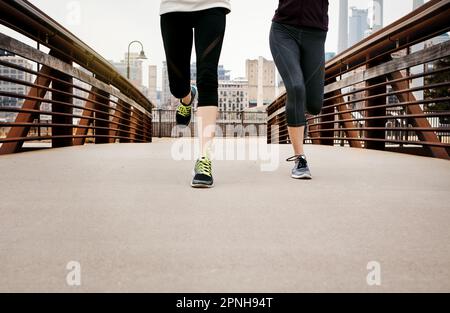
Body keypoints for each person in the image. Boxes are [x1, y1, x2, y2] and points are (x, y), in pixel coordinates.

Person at [160, 0, 231, 188]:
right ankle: (187, 97)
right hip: (173, 6)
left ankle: (204, 159)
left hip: (212, 5)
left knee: (207, 77)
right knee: (176, 85)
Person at [270, 0, 329, 180]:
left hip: (316, 34)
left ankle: (299, 120)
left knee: (314, 105)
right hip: (283, 30)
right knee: (296, 87)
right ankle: (300, 158)